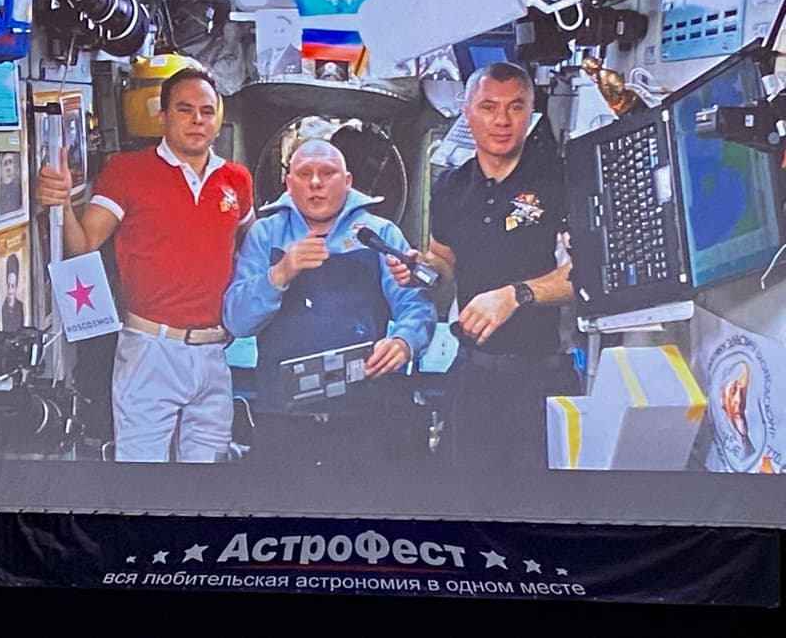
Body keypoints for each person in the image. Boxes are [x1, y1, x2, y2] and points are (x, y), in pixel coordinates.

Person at [37, 66, 255, 463]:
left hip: (214, 352)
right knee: (141, 475)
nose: (197, 120)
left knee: (207, 481)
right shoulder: (128, 171)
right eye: (185, 109)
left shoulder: (236, 179)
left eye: (207, 111)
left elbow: (251, 250)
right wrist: (62, 204)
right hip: (150, 348)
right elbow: (84, 245)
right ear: (163, 116)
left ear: (218, 119)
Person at [390, 61, 579, 470]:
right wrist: (421, 267)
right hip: (473, 376)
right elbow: (444, 260)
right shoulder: (450, 187)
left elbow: (583, 274)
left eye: (516, 106)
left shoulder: (561, 180)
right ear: (467, 112)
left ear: (531, 111)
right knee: (465, 495)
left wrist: (516, 295)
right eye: (489, 107)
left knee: (539, 501)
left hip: (543, 378)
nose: (502, 120)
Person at [223, 139, 436, 465]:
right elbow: (237, 321)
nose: (316, 183)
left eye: (327, 173)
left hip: (364, 416)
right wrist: (280, 273)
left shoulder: (379, 233)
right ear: (288, 182)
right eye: (304, 173)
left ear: (348, 180)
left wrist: (404, 342)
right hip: (281, 415)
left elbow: (416, 306)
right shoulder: (265, 235)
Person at [1, 253, 24, 332]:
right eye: (8, 286)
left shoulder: (20, 306)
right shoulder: (3, 307)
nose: (10, 291)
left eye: (13, 286)